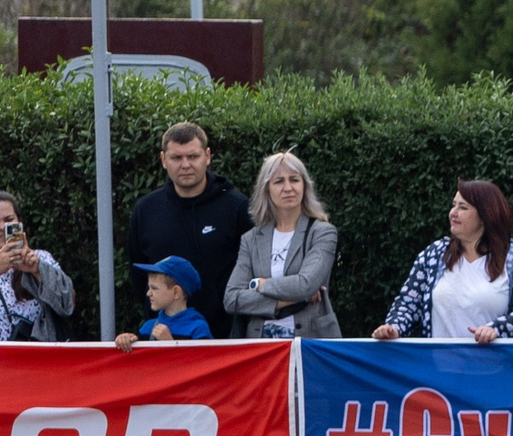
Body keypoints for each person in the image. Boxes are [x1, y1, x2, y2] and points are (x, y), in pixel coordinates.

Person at [372, 181, 513, 344]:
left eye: (463, 207)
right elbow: (409, 303)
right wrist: (393, 327)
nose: (453, 212)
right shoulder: (434, 254)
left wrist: (497, 330)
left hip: (495, 371)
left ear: (485, 215)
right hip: (438, 370)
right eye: (454, 205)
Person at [125, 121, 250, 340]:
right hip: (163, 343)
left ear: (207, 156)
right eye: (176, 158)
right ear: (164, 160)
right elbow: (138, 275)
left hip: (228, 339)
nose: (185, 165)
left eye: (193, 156)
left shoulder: (236, 207)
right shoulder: (146, 210)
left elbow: (254, 265)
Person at [224, 151, 343, 340]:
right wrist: (286, 300)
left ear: (304, 185)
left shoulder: (323, 232)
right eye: (279, 181)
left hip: (311, 342)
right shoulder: (251, 239)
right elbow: (232, 299)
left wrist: (259, 284)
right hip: (261, 347)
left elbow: (305, 285)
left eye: (294, 180)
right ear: (267, 189)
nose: (288, 188)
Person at [0, 191, 76, 342]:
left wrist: (38, 271)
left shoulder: (41, 258)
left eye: (9, 219)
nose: (2, 227)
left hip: (39, 359)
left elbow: (68, 303)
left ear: (19, 222)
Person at [113, 257, 214, 348]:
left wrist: (170, 343)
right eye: (149, 287)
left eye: (154, 288)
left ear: (176, 292)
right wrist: (126, 342)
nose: (148, 293)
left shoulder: (198, 329)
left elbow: (204, 365)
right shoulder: (147, 328)